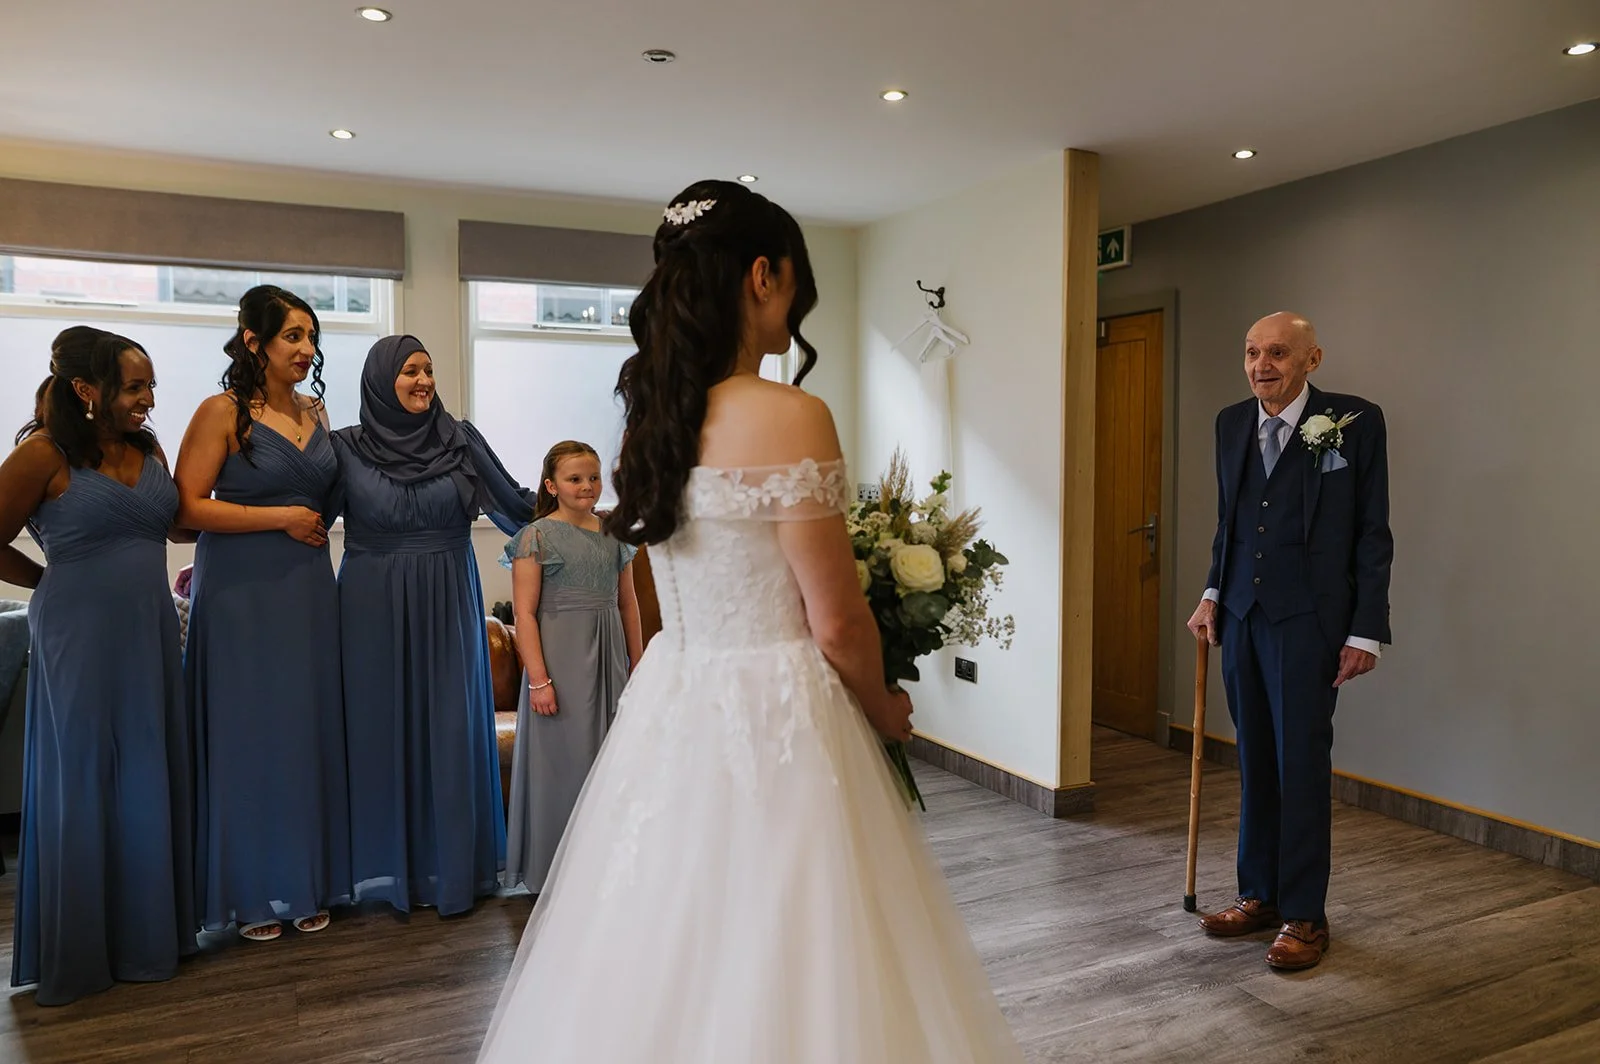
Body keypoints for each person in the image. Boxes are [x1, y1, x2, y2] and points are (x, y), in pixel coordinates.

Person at [476, 181, 1020, 1063]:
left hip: (674, 697)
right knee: (803, 936)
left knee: (663, 926)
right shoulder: (792, 415)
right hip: (779, 703)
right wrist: (885, 708)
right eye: (796, 283)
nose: (797, 307)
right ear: (762, 275)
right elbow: (836, 621)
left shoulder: (654, 422)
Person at [1187, 311, 1393, 971]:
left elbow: (1371, 532)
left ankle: (1305, 914)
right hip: (1241, 616)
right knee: (1255, 762)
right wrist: (1212, 593)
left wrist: (1366, 630)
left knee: (1299, 765)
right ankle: (1260, 895)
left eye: (1277, 352)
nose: (1261, 366)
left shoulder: (1354, 422)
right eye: (1252, 352)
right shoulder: (1230, 423)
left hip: (1310, 621)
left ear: (1312, 359)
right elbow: (1230, 522)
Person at [2, 327, 196, 1005]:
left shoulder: (149, 450)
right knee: (83, 773)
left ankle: (147, 938)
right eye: (134, 387)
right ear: (86, 389)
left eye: (151, 386)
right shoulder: (42, 453)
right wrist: (49, 579)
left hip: (148, 628)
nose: (149, 399)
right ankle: (84, 950)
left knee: (147, 766)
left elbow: (181, 525)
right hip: (76, 631)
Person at [331, 335, 535, 916]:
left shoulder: (460, 439)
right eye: (410, 371)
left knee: (450, 728)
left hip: (449, 601)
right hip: (369, 607)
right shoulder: (343, 447)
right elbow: (303, 517)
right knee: (377, 730)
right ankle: (382, 871)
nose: (424, 380)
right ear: (380, 380)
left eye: (428, 369)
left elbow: (516, 507)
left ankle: (454, 871)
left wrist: (589, 515)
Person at [175, 285, 351, 943]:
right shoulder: (220, 411)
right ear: (254, 341)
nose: (306, 349)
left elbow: (328, 498)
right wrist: (279, 518)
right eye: (292, 336)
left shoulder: (316, 411)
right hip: (240, 592)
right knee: (247, 734)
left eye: (311, 337)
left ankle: (304, 879)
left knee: (304, 730)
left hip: (308, 587)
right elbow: (186, 507)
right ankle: (248, 892)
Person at [500, 440, 643, 895]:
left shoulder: (615, 533)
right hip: (559, 663)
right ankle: (556, 872)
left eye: (593, 478)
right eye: (575, 479)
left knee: (609, 758)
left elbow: (628, 603)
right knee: (564, 762)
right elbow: (524, 614)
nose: (587, 486)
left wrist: (638, 663)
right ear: (551, 486)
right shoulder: (536, 537)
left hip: (609, 657)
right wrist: (539, 680)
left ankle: (608, 870)